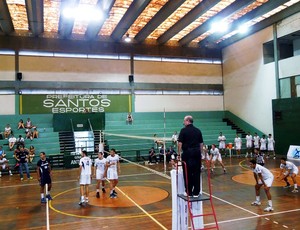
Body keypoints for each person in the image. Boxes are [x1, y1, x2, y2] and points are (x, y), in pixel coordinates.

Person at [177, 115, 203, 197]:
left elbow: (180, 143)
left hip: (188, 153)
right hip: (197, 153)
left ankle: (189, 192)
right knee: (196, 172)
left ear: (188, 121)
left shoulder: (183, 131)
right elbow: (201, 144)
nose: (183, 123)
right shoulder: (198, 130)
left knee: (187, 172)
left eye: (184, 121)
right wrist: (200, 153)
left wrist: (178, 154)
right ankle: (196, 192)